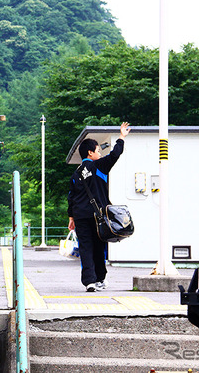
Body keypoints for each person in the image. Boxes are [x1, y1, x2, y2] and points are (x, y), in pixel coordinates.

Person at [67, 122, 130, 292]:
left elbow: (71, 196)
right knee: (98, 247)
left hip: (80, 216)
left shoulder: (77, 173)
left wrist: (71, 218)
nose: (99, 153)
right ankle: (100, 279)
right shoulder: (99, 166)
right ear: (90, 152)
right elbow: (115, 154)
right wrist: (121, 137)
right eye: (98, 150)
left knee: (85, 247)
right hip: (97, 215)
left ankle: (89, 281)